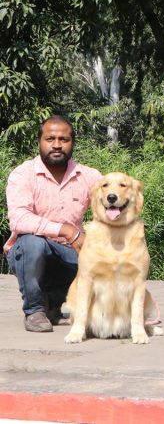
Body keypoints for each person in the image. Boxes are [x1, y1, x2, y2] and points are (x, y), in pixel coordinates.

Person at [4, 115, 102, 332]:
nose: (57, 145)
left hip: (70, 254)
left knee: (99, 253)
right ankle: (34, 310)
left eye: (64, 139)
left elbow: (110, 209)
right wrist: (68, 231)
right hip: (30, 253)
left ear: (73, 143)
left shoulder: (89, 176)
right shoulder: (23, 174)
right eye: (50, 139)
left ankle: (53, 303)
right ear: (39, 141)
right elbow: (19, 220)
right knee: (32, 243)